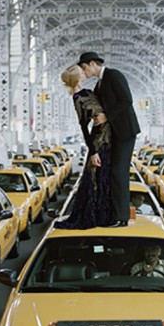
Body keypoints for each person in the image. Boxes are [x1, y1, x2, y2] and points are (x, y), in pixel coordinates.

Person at [78, 51, 141, 227]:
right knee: (110, 172)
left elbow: (126, 100)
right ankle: (113, 213)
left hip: (125, 131)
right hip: (114, 133)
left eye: (84, 68)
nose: (85, 72)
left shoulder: (113, 75)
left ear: (92, 63)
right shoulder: (100, 84)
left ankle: (122, 217)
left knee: (118, 172)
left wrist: (106, 116)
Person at [55, 64, 113, 229]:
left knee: (101, 177)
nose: (84, 72)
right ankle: (96, 216)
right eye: (81, 71)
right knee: (97, 178)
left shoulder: (85, 92)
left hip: (105, 134)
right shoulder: (78, 97)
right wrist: (93, 152)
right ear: (77, 77)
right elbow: (83, 126)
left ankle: (102, 215)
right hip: (100, 139)